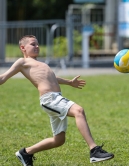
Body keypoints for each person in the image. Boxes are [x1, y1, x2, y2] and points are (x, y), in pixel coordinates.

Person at [0, 35, 114, 166]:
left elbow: (53, 78)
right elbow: (3, 77)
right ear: (22, 48)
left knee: (59, 140)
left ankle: (26, 152)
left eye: (37, 44)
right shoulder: (22, 62)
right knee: (78, 111)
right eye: (33, 44)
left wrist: (70, 82)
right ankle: (94, 150)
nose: (37, 46)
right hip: (50, 100)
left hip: (56, 98)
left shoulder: (41, 64)